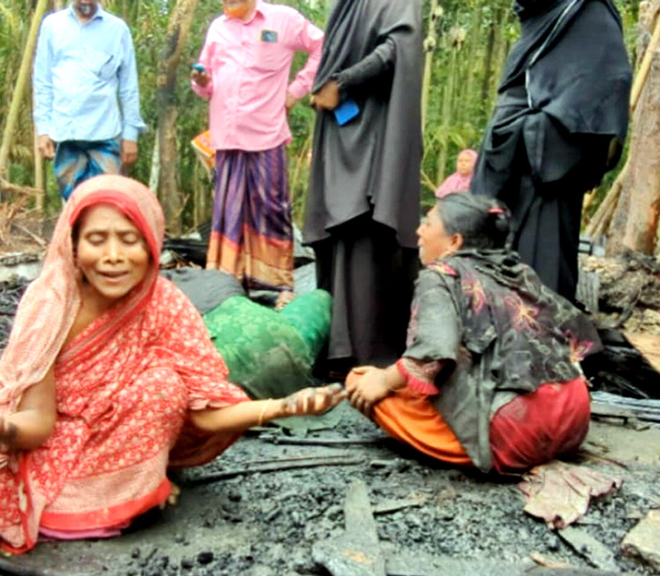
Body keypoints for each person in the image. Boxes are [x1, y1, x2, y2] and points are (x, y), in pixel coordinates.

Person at [0, 175, 346, 558]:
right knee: (17, 491)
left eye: (129, 239)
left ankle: (127, 490)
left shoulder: (162, 303)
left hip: (119, 437)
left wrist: (281, 407)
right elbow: (37, 423)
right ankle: (102, 501)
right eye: (97, 239)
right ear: (73, 245)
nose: (112, 256)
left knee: (163, 383)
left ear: (151, 245)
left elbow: (203, 409)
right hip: (51, 445)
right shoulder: (51, 303)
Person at [344, 194, 601, 474]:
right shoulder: (519, 271)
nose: (419, 230)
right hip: (574, 420)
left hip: (519, 435)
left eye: (428, 223)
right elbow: (574, 336)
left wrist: (383, 379)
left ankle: (483, 449)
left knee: (360, 380)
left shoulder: (441, 275)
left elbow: (432, 353)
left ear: (454, 242)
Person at [469, 0, 631, 302]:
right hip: (503, 174)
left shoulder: (586, 13)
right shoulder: (540, 20)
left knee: (537, 292)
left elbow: (610, 82)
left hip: (546, 180)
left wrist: (535, 129)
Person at [304, 0, 424, 374]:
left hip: (376, 133)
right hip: (341, 132)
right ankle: (339, 348)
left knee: (366, 225)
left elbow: (398, 47)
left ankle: (369, 350)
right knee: (337, 233)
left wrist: (343, 82)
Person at [191, 0, 323, 305]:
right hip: (226, 135)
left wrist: (297, 91)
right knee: (228, 211)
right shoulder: (217, 28)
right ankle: (226, 285)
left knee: (272, 207)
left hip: (267, 132)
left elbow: (322, 46)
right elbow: (205, 84)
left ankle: (281, 286)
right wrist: (201, 81)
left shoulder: (283, 20)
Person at [32, 0, 146, 200]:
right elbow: (43, 82)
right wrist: (43, 131)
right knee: (74, 208)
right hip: (65, 136)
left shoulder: (117, 30)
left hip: (106, 136)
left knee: (107, 204)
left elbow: (129, 87)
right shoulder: (52, 26)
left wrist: (131, 136)